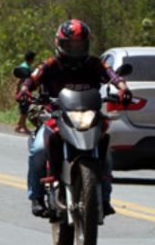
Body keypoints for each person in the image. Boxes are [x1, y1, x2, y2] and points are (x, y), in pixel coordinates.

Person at [16, 19, 131, 217]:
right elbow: (33, 78)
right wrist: (25, 89)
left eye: (79, 45)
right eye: (71, 45)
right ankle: (36, 197)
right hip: (57, 115)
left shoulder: (95, 63)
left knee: (107, 153)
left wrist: (123, 88)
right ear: (60, 44)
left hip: (90, 115)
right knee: (39, 150)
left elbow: (112, 75)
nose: (75, 49)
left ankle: (104, 198)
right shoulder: (50, 64)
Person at [14, 50, 36, 134]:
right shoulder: (25, 68)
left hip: (24, 91)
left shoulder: (25, 66)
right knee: (24, 110)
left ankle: (19, 125)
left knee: (24, 109)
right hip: (23, 91)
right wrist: (18, 92)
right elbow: (20, 81)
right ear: (31, 59)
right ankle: (22, 127)